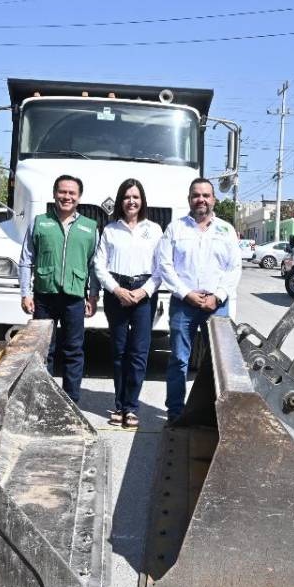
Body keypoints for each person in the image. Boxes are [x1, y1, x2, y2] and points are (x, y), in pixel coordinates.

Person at [156, 177, 242, 423]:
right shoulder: (175, 229)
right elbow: (165, 265)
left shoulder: (225, 230)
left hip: (217, 305)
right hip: (184, 304)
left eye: (206, 195)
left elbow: (234, 268)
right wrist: (186, 294)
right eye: (196, 195)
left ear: (213, 199)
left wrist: (218, 296)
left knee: (218, 364)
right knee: (179, 360)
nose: (201, 199)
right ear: (189, 199)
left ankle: (216, 416)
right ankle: (175, 413)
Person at [18, 174, 98, 402]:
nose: (67, 197)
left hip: (74, 299)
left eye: (72, 193)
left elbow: (94, 266)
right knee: (44, 351)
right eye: (62, 192)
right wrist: (25, 292)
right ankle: (44, 400)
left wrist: (93, 296)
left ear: (79, 197)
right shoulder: (40, 222)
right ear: (54, 194)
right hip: (44, 297)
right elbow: (26, 260)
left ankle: (71, 401)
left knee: (73, 351)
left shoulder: (89, 228)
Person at [92, 178, 162, 429]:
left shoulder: (154, 229)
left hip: (144, 294)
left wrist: (144, 292)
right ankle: (119, 405)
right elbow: (99, 265)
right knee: (119, 351)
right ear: (120, 201)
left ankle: (132, 407)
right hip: (117, 293)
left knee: (139, 353)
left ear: (142, 201)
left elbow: (160, 267)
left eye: (136, 197)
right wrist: (116, 290)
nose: (131, 201)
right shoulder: (110, 230)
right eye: (126, 197)